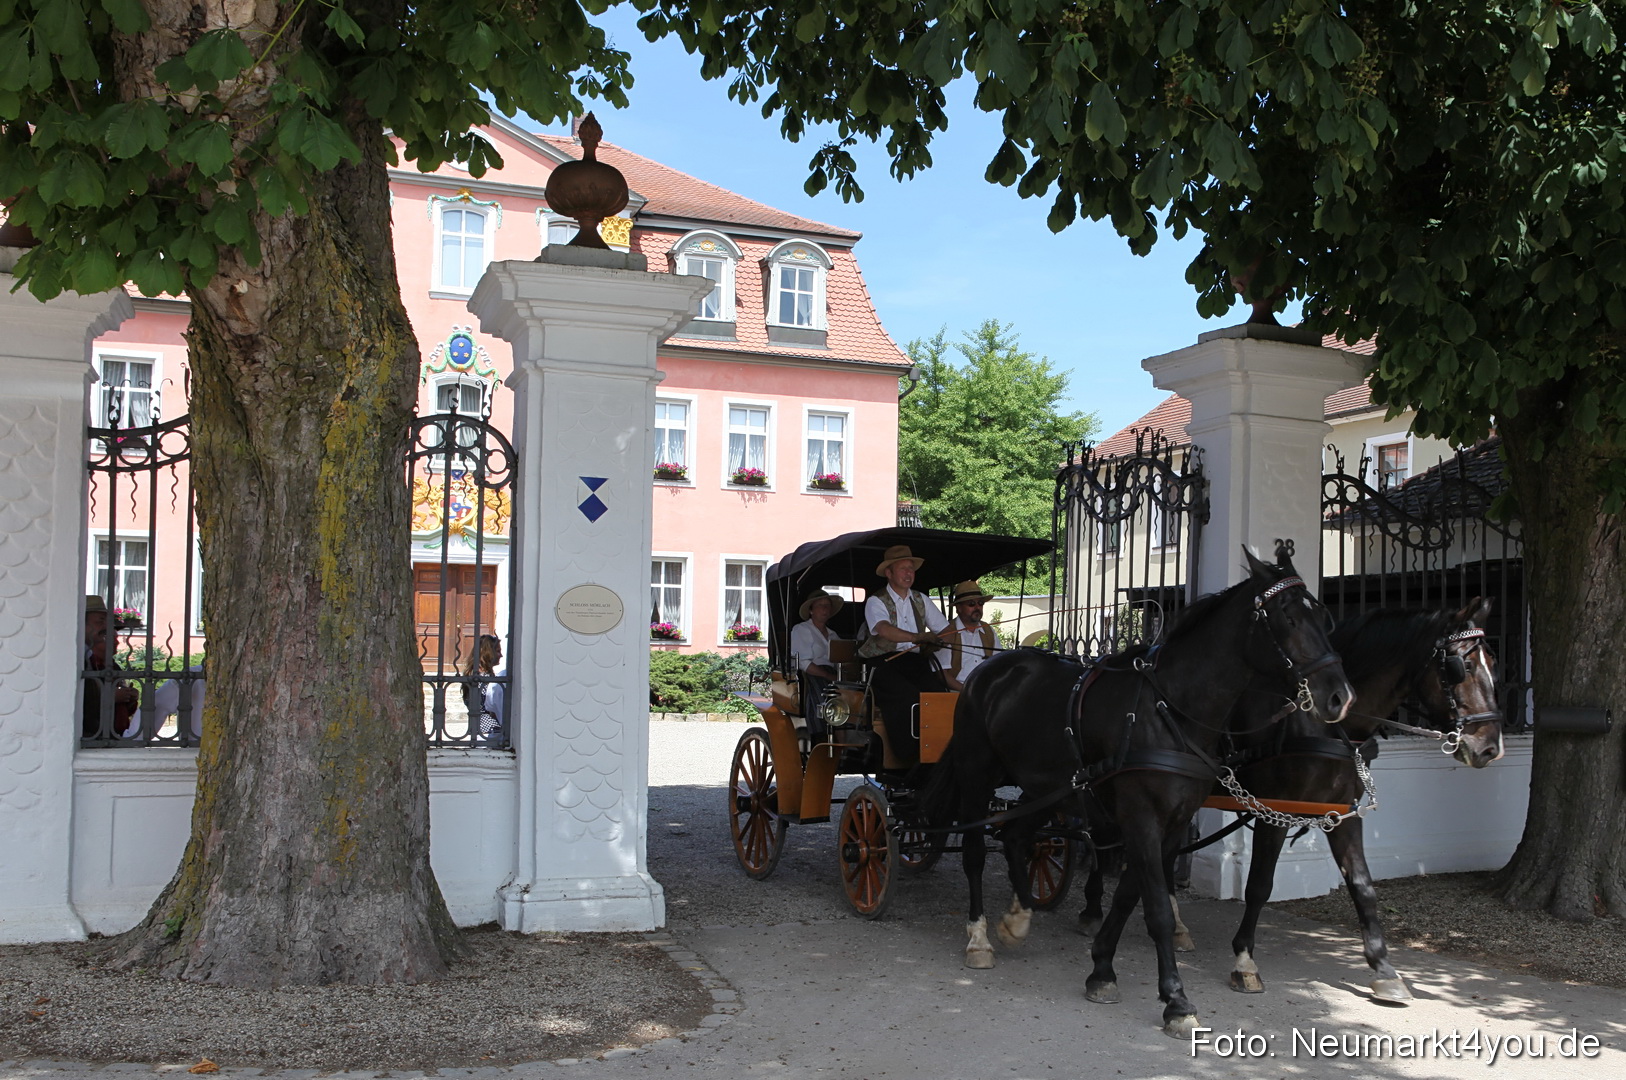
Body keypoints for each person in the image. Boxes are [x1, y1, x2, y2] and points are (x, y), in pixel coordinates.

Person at [858, 544, 950, 769]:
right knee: (907, 696)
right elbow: (884, 630)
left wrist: (939, 640)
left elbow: (945, 630)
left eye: (911, 569)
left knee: (938, 695)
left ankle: (941, 754)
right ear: (889, 573)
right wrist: (919, 636)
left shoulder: (920, 599)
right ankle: (908, 757)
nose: (909, 573)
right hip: (881, 662)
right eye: (903, 569)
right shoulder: (876, 601)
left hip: (914, 661)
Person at [789, 591, 845, 742]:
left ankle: (847, 741)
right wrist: (828, 676)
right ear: (811, 610)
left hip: (835, 674)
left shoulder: (834, 635)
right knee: (828, 697)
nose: (825, 609)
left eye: (827, 606)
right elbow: (803, 663)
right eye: (820, 606)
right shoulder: (802, 630)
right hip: (811, 674)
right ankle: (821, 737)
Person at [82, 595, 137, 739]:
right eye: (100, 621)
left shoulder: (112, 665)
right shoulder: (77, 659)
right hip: (91, 736)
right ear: (82, 623)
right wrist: (110, 697)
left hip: (112, 735)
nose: (105, 626)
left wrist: (129, 697)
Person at [942, 580, 999, 691]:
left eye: (980, 603)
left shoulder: (988, 630)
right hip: (956, 694)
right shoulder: (947, 631)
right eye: (971, 604)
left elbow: (998, 663)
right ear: (959, 608)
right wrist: (967, 691)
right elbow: (941, 673)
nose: (977, 607)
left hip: (984, 693)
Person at [461, 634, 507, 745]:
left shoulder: (472, 674)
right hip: (489, 730)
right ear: (487, 653)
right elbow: (490, 706)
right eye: (497, 651)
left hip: (478, 728)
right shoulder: (484, 679)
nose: (501, 655)